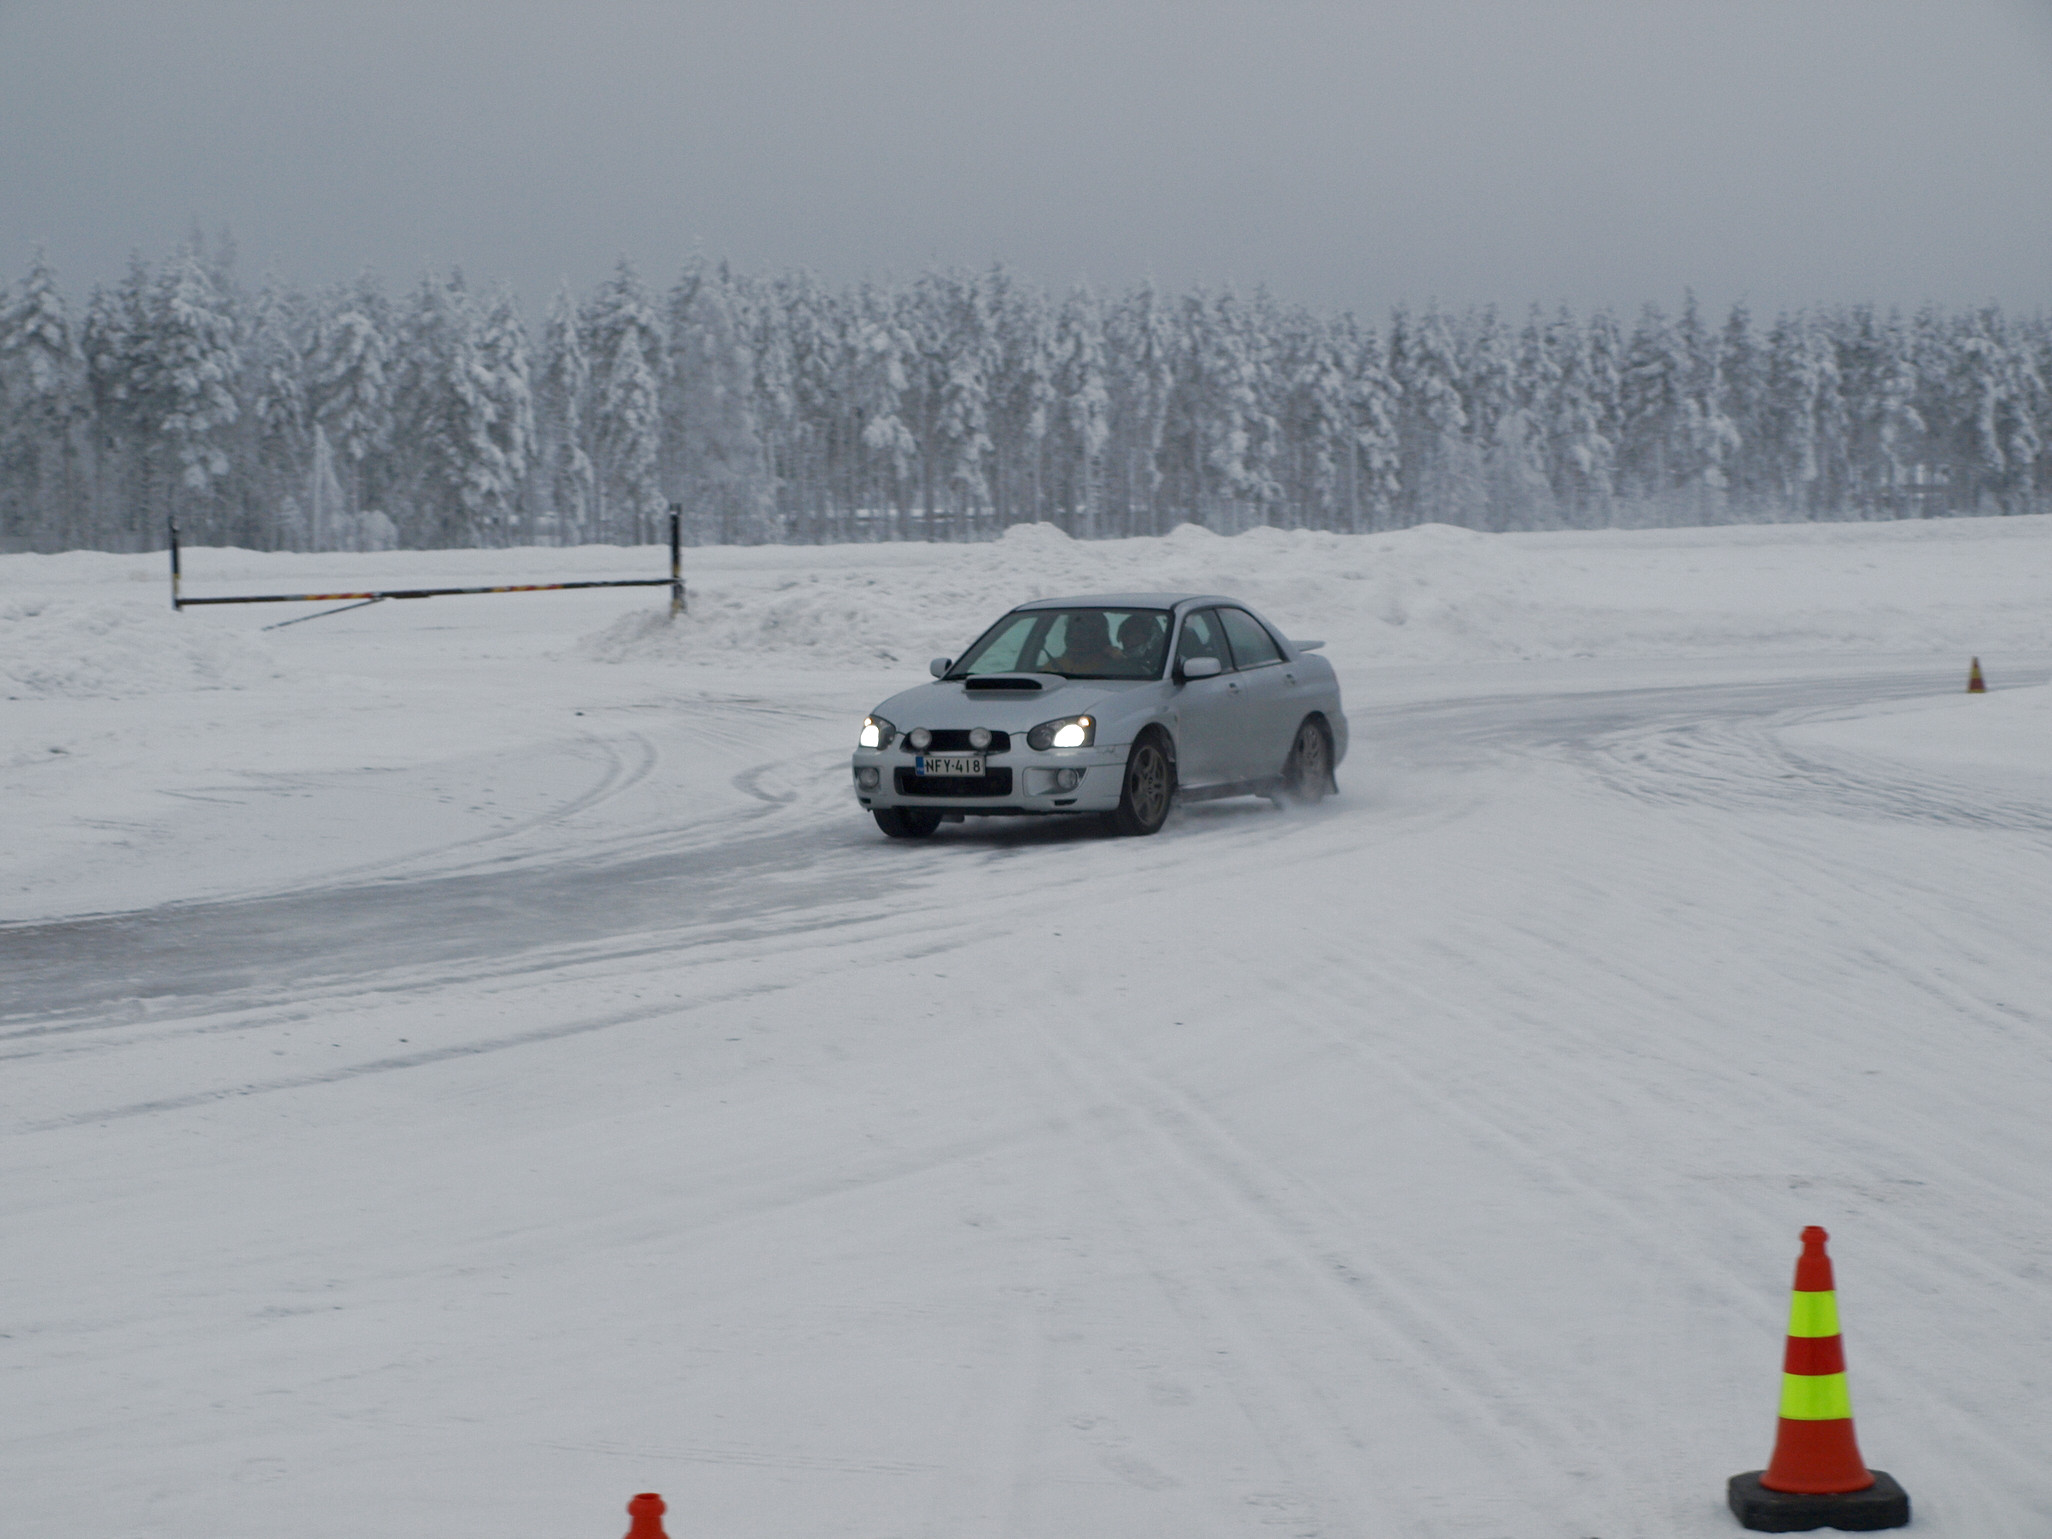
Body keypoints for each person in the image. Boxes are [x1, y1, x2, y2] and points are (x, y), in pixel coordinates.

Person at [1045, 611, 1117, 675]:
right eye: (1073, 629)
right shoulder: (1053, 667)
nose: (1076, 636)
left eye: (1084, 631)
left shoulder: (1115, 665)